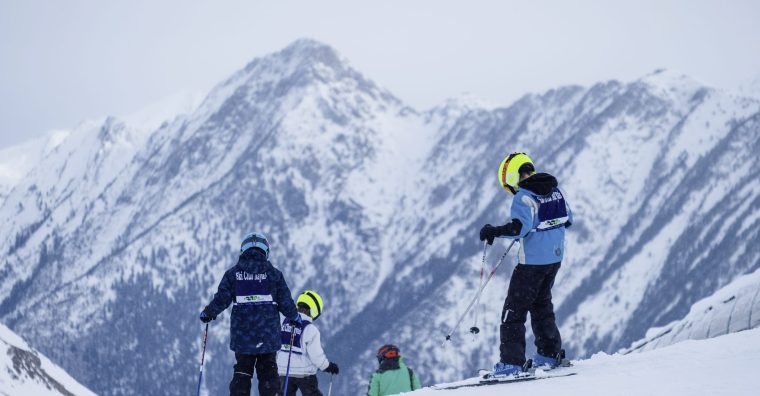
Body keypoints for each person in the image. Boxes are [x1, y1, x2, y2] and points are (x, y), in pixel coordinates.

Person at [478, 152, 573, 377]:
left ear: (512, 178)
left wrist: (494, 231)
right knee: (542, 304)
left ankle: (511, 363)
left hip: (532, 263)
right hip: (555, 259)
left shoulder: (523, 196)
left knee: (514, 310)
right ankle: (550, 353)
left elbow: (519, 228)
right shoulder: (556, 191)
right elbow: (568, 219)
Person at [200, 232, 302, 396]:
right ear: (265, 251)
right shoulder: (274, 275)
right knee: (268, 372)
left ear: (243, 251)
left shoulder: (233, 275)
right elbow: (285, 303)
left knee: (242, 372)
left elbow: (222, 299)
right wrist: (295, 317)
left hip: (243, 337)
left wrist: (208, 313)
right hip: (267, 337)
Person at [277, 290, 339, 396]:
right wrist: (327, 366)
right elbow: (316, 355)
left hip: (283, 371)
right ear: (314, 310)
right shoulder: (310, 329)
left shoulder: (283, 322)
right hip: (304, 374)